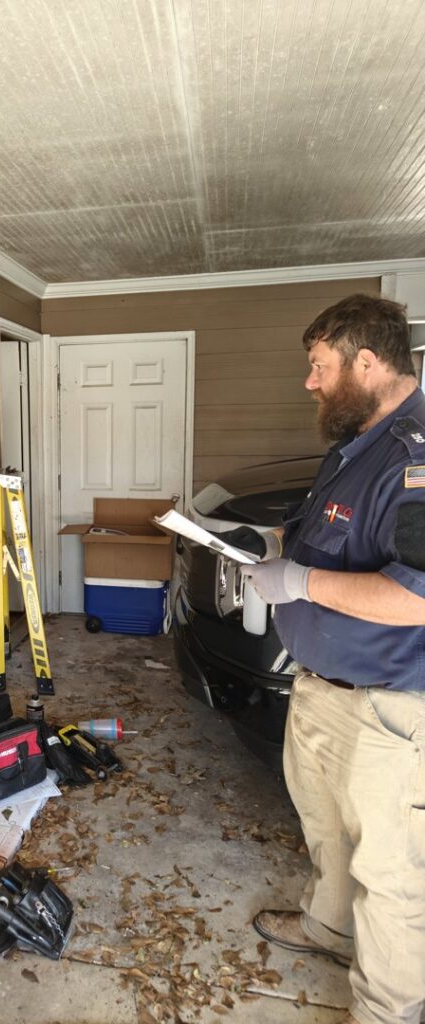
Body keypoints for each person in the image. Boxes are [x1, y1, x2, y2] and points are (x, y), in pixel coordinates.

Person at [239, 293, 425, 1024]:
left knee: (392, 871)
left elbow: (417, 597)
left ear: (368, 363)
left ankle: (387, 1010)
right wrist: (275, 553)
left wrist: (301, 582)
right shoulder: (354, 445)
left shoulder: (414, 454)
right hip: (320, 687)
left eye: (320, 367)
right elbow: (327, 539)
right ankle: (328, 932)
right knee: (327, 831)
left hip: (390, 706)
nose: (310, 383)